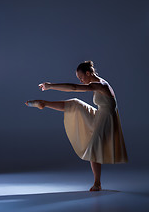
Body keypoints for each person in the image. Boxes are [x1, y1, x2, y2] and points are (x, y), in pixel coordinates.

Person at [25, 60, 128, 191]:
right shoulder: (97, 83)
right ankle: (44, 103)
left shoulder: (100, 85)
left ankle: (97, 183)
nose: (81, 81)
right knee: (75, 104)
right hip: (100, 114)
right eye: (79, 78)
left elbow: (74, 87)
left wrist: (51, 85)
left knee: (94, 149)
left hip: (106, 119)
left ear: (88, 73)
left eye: (81, 78)